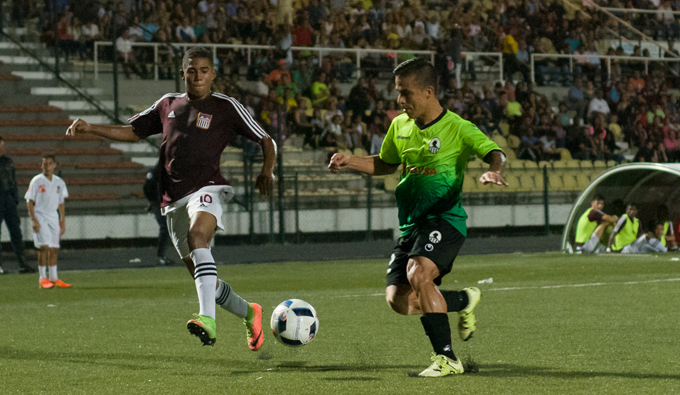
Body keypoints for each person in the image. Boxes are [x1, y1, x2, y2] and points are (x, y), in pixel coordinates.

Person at [66, 47, 276, 350]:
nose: (198, 76)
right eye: (192, 70)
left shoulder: (227, 106)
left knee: (197, 237)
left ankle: (208, 319)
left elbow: (266, 139)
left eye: (204, 70)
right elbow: (133, 132)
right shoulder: (168, 104)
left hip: (208, 187)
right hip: (172, 199)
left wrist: (266, 171)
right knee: (205, 279)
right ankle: (250, 312)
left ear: (213, 74)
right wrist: (91, 128)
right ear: (183, 73)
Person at [328, 58, 507, 377]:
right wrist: (349, 161)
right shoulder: (400, 125)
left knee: (418, 273)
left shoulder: (458, 127)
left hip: (445, 220)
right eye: (398, 93)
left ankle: (448, 358)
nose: (400, 100)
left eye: (406, 93)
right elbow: (386, 163)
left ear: (428, 92)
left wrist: (494, 170)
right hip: (412, 225)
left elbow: (495, 152)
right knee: (398, 299)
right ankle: (464, 299)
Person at [25, 155, 70, 289]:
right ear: (41, 165)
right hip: (40, 215)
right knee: (43, 247)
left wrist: (62, 219)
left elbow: (61, 202)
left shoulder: (59, 182)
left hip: (53, 216)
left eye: (50, 163)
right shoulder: (36, 181)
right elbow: (29, 201)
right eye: (45, 164)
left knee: (54, 248)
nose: (47, 166)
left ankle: (54, 278)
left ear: (55, 165)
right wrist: (33, 219)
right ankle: (42, 278)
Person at [0, 136, 35, 274]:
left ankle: (22, 263)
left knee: (16, 231)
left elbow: (13, 180)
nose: (2, 147)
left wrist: (14, 198)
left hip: (8, 199)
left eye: (3, 145)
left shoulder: (8, 161)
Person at [144, 163, 174, 266]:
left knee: (167, 228)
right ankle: (161, 256)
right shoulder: (157, 171)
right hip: (159, 203)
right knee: (165, 227)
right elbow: (149, 187)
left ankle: (162, 256)